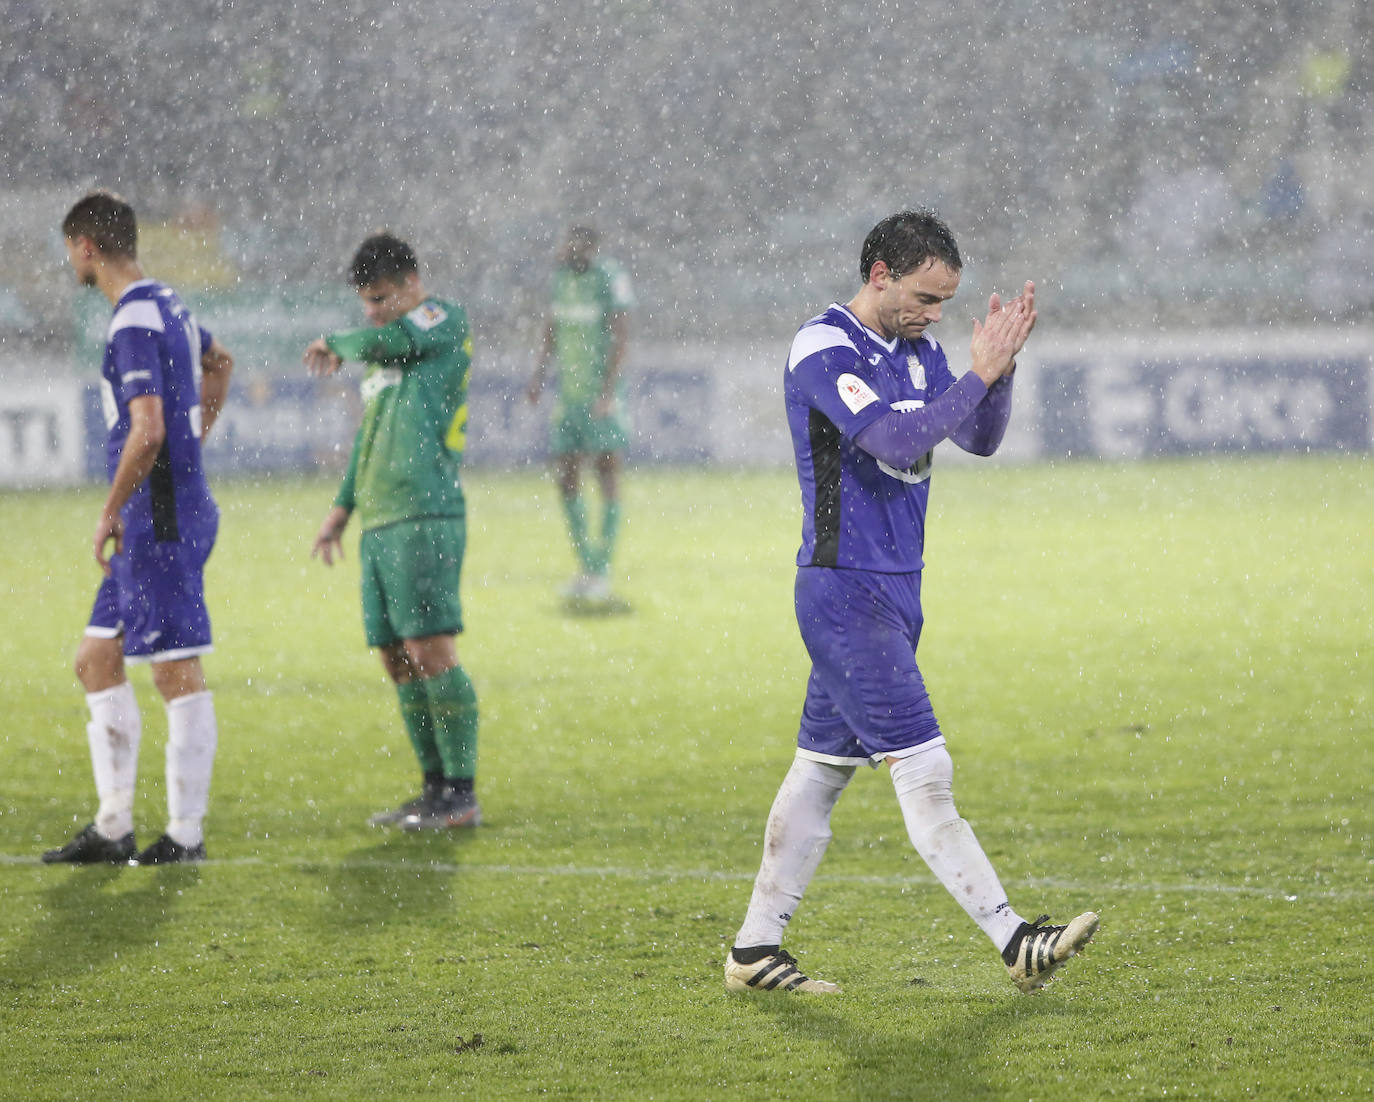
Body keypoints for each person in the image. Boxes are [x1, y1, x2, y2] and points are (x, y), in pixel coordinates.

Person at [724, 210, 1098, 995]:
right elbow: (894, 443)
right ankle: (1015, 939)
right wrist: (979, 374)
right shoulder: (822, 346)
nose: (935, 316)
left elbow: (981, 438)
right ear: (880, 275)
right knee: (925, 770)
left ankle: (755, 952)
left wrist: (1000, 367)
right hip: (843, 590)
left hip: (897, 591)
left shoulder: (921, 357)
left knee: (821, 771)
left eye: (946, 303)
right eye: (926, 298)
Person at [44, 190, 233, 866]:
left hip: (158, 517)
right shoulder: (169, 303)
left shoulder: (130, 322)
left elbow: (147, 427)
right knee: (97, 660)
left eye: (71, 249)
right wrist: (195, 440)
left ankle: (186, 835)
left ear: (86, 248)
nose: (70, 260)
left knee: (174, 667)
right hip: (166, 506)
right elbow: (221, 363)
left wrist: (108, 508)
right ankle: (114, 825)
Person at [304, 233, 480, 831]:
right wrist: (342, 506)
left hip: (424, 512)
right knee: (394, 656)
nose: (374, 312)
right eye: (366, 304)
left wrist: (340, 342)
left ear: (410, 285)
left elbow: (394, 337)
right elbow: (370, 431)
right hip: (380, 520)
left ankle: (461, 793)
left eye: (381, 298)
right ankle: (433, 789)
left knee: (431, 649)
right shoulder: (385, 355)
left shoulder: (440, 320)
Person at [525, 225, 634, 603]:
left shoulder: (610, 278)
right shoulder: (561, 279)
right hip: (569, 398)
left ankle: (601, 569)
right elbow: (551, 328)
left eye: (577, 244)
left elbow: (621, 336)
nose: (569, 249)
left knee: (606, 473)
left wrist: (607, 393)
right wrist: (539, 375)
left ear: (591, 247)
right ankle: (587, 567)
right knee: (567, 477)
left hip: (601, 397)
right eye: (566, 242)